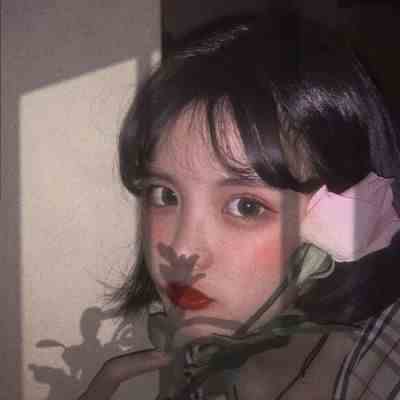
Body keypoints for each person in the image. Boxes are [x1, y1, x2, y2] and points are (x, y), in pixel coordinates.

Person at [78, 12, 400, 400]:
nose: (179, 252)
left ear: (349, 221)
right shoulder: (205, 352)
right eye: (165, 195)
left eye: (246, 206)